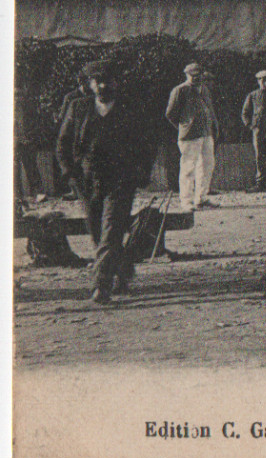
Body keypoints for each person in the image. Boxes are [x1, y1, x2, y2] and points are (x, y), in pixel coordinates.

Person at [57, 60, 145, 304]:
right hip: (87, 182)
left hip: (120, 179)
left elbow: (146, 143)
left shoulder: (130, 109)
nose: (103, 85)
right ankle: (122, 270)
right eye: (98, 81)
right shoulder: (78, 107)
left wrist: (140, 172)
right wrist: (71, 175)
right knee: (98, 231)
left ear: (117, 83)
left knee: (111, 228)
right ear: (90, 84)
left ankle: (101, 285)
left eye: (108, 80)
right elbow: (63, 144)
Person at [165, 61, 219, 210]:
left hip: (206, 133)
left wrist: (214, 126)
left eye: (198, 75)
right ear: (186, 75)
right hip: (189, 135)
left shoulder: (205, 90)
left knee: (207, 165)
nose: (196, 78)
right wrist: (184, 126)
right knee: (188, 167)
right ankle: (186, 201)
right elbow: (170, 114)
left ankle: (201, 197)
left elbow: (210, 109)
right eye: (192, 75)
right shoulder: (180, 90)